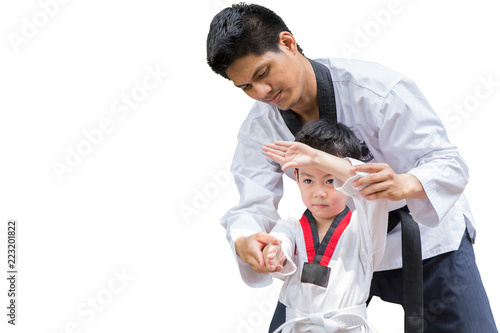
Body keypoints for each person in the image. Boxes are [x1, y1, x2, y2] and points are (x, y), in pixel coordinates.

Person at [206, 3, 497, 332]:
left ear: (287, 43)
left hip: (424, 237)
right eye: (245, 87)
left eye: (262, 74)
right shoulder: (260, 127)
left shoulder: (376, 91)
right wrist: (246, 239)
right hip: (335, 248)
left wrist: (406, 183)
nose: (261, 92)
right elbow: (252, 203)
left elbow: (449, 163)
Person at [260, 119, 387, 333]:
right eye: (308, 181)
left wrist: (317, 157)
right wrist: (274, 253)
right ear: (297, 178)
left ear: (347, 181)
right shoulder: (290, 228)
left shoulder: (364, 229)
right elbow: (281, 243)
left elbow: (370, 181)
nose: (319, 193)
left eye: (330, 181)